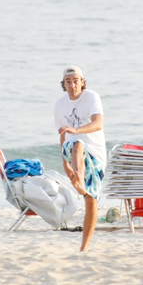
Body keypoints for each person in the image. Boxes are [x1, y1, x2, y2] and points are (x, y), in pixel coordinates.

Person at [54, 66, 106, 252]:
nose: (72, 84)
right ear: (64, 84)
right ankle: (79, 179)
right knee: (77, 144)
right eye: (68, 81)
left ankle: (84, 247)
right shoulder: (60, 105)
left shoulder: (91, 97)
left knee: (91, 200)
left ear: (82, 82)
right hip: (73, 148)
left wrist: (76, 130)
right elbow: (62, 135)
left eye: (76, 80)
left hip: (96, 153)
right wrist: (64, 162)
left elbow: (98, 123)